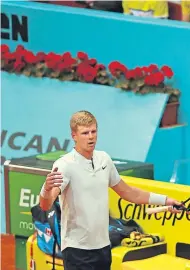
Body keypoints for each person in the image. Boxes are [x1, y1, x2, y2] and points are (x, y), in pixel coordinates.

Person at [39, 110, 182, 270]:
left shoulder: (104, 159)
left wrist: (165, 200)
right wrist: (46, 189)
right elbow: (45, 205)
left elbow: (129, 193)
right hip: (76, 250)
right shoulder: (64, 165)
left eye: (93, 131)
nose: (91, 136)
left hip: (103, 248)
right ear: (74, 136)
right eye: (85, 133)